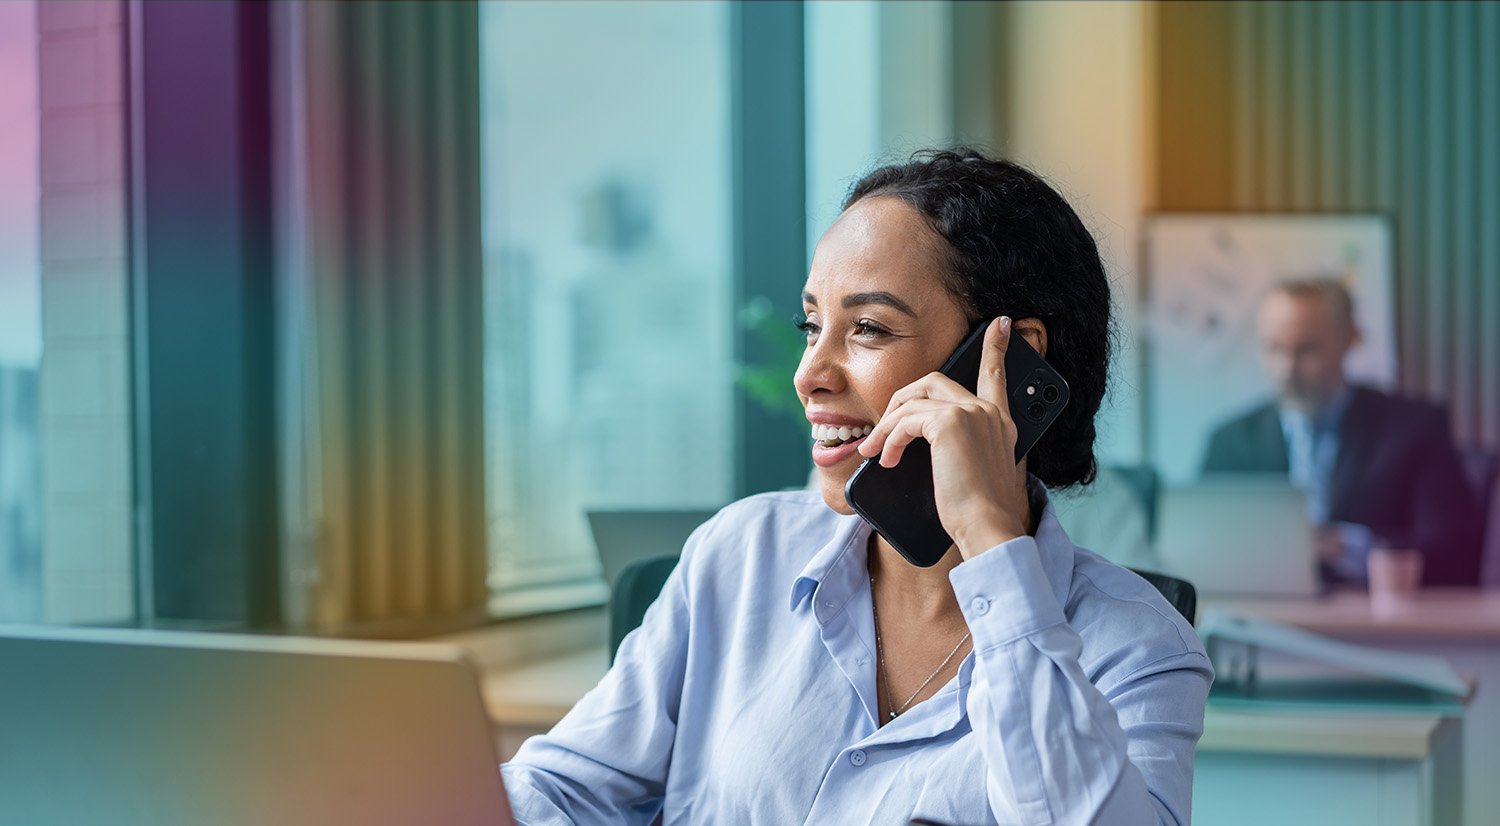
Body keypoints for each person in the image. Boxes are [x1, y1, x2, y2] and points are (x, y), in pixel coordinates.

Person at [502, 149, 1212, 824]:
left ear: (1013, 365)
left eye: (868, 328)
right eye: (813, 325)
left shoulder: (1138, 646)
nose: (809, 373)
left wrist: (992, 544)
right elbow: (563, 789)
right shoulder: (739, 556)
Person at [1201, 278, 1483, 586]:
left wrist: (1351, 548)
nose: (1286, 371)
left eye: (1306, 350)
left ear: (1349, 339)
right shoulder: (1230, 441)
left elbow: (1457, 555)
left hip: (1376, 626)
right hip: (1261, 618)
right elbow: (1204, 551)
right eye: (1273, 349)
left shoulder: (1415, 430)